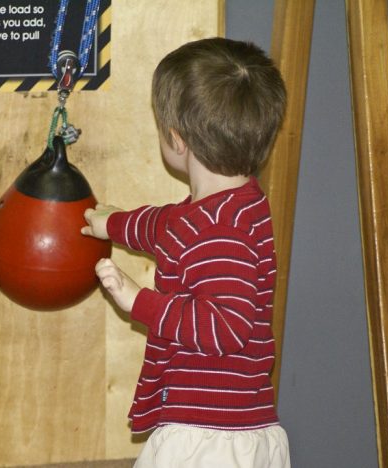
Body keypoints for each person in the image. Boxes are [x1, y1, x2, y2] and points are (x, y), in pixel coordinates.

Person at [82, 37, 290, 468]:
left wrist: (139, 301)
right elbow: (167, 227)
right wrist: (114, 223)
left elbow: (225, 326)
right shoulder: (236, 205)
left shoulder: (222, 232)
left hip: (210, 438)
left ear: (176, 140)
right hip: (220, 428)